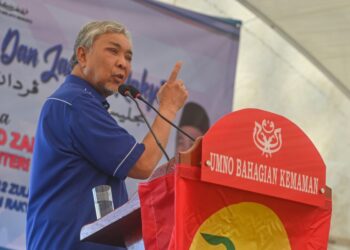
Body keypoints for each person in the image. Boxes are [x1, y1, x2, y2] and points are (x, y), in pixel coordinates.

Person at [26, 21, 188, 249]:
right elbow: (142, 164)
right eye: (113, 51)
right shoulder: (76, 102)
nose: (123, 63)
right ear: (82, 55)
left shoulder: (76, 100)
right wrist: (168, 108)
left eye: (129, 57)